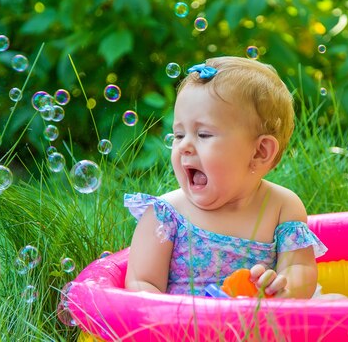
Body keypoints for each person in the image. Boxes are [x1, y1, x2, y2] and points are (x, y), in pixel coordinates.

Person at [124, 56, 327, 298]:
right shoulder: (164, 215)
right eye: (178, 135)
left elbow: (300, 268)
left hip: (261, 327)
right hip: (188, 328)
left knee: (339, 307)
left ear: (260, 152)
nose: (184, 146)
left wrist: (285, 290)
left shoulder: (282, 206)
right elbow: (141, 283)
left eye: (203, 134)